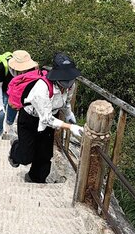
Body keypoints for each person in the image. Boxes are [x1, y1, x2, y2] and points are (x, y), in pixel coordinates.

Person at [8, 52, 84, 184]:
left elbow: (66, 102)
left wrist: (69, 114)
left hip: (51, 116)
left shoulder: (70, 86)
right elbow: (47, 119)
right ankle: (15, 148)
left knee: (44, 154)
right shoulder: (42, 87)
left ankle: (35, 179)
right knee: (26, 156)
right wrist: (70, 127)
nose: (68, 83)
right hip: (30, 118)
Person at [0, 49, 37, 140]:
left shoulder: (30, 70)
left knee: (14, 108)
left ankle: (9, 126)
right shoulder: (2, 67)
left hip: (15, 91)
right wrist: (0, 104)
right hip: (2, 89)